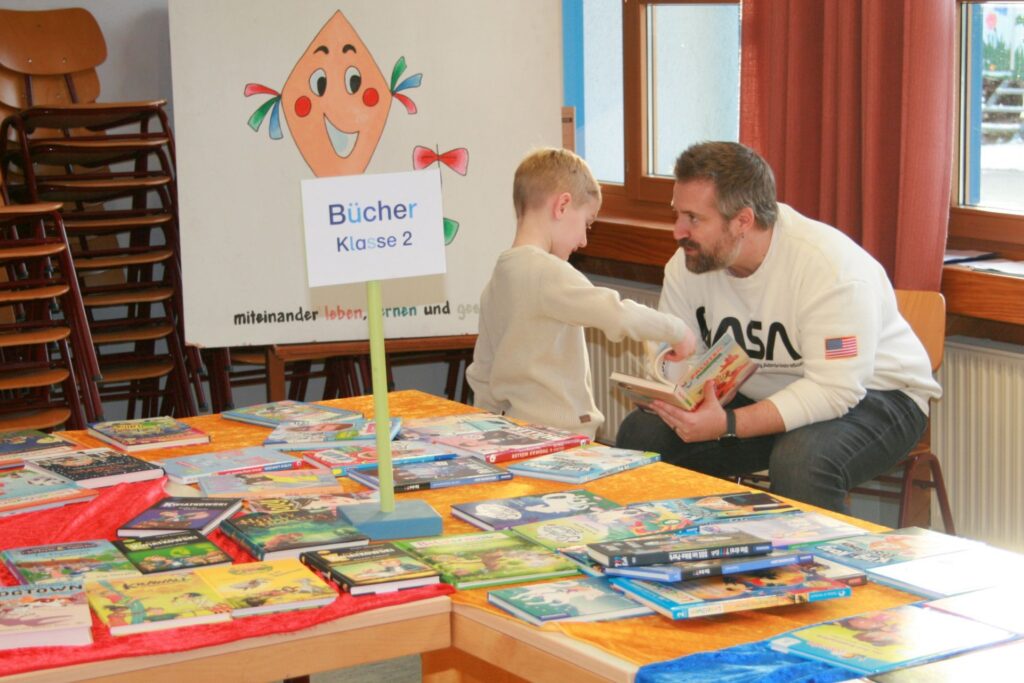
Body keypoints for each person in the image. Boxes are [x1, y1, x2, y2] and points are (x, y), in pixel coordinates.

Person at [615, 141, 941, 513]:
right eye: (677, 214)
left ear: (743, 221)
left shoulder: (829, 269)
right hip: (761, 393)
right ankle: (667, 551)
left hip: (876, 394)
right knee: (642, 435)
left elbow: (835, 391)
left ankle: (822, 570)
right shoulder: (689, 264)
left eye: (694, 219)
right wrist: (680, 381)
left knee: (801, 461)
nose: (677, 231)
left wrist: (728, 423)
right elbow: (680, 362)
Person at [466, 147, 697, 440]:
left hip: (514, 430)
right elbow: (617, 313)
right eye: (586, 223)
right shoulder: (548, 273)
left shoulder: (499, 279)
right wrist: (676, 330)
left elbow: (482, 371)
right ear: (562, 206)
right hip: (560, 436)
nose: (584, 240)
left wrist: (485, 431)